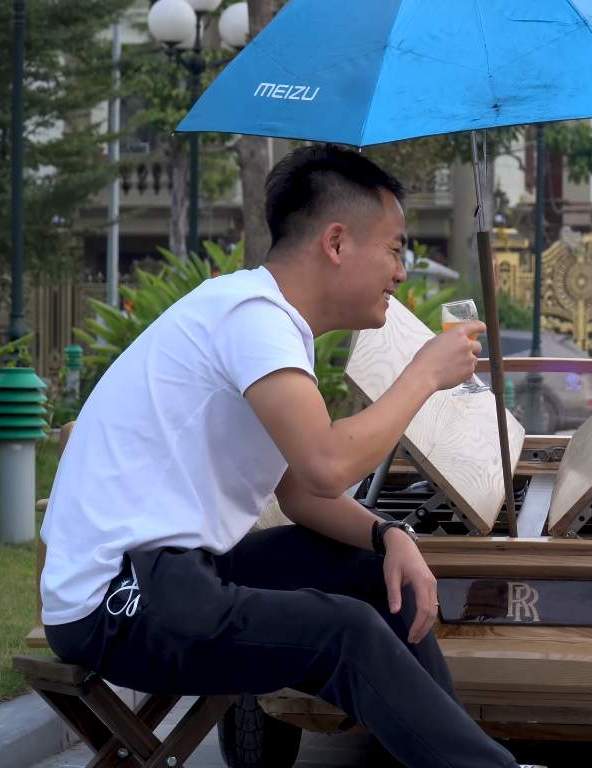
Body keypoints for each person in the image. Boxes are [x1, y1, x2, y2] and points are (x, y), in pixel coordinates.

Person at [39, 145, 529, 768]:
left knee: (369, 573)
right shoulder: (253, 316)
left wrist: (388, 536)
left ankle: (458, 754)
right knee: (342, 633)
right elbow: (328, 465)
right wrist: (422, 376)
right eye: (394, 247)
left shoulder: (268, 324)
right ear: (336, 242)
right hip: (117, 597)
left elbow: (300, 491)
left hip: (180, 572)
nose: (402, 271)